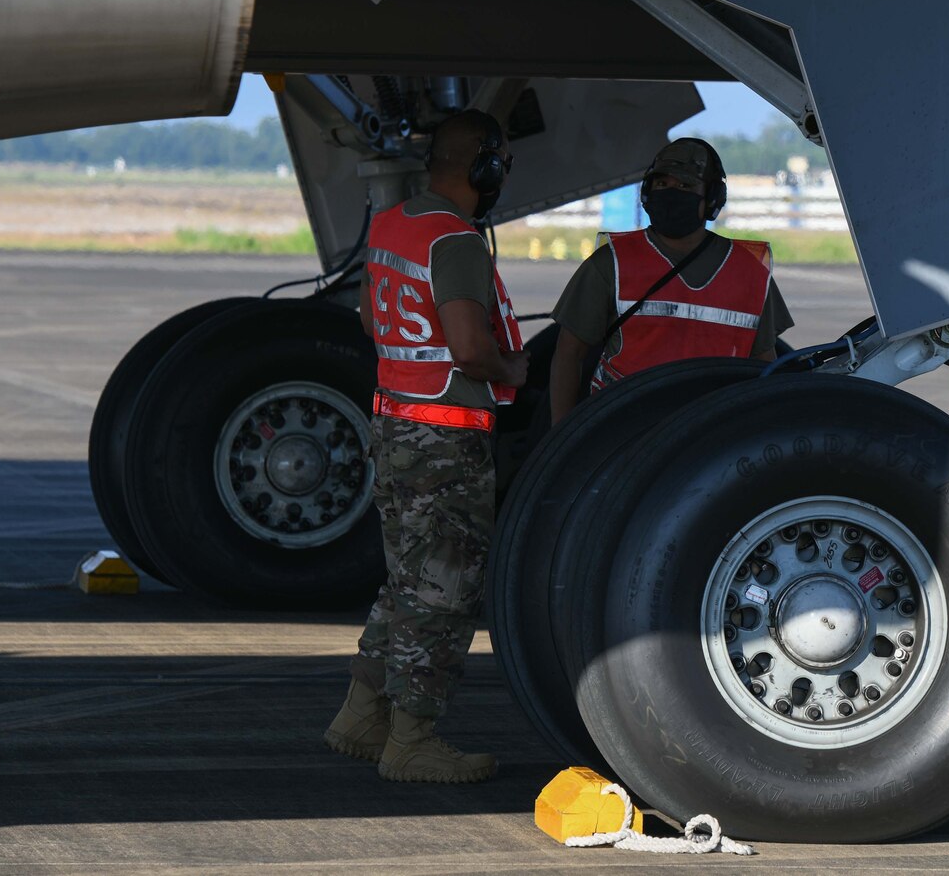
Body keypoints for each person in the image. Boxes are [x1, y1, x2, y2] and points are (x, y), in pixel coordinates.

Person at [322, 110, 528, 784]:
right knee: (444, 592)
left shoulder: (395, 224)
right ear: (484, 167)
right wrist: (510, 370)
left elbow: (370, 317)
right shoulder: (456, 239)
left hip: (396, 424)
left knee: (407, 581)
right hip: (447, 436)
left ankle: (360, 714)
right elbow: (470, 347)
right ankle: (412, 738)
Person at [549, 138, 792, 421]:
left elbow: (764, 366)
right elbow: (568, 354)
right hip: (622, 430)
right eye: (662, 185)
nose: (671, 193)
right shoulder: (611, 263)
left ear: (713, 199)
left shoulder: (749, 272)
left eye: (685, 186)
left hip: (714, 429)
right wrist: (562, 437)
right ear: (648, 193)